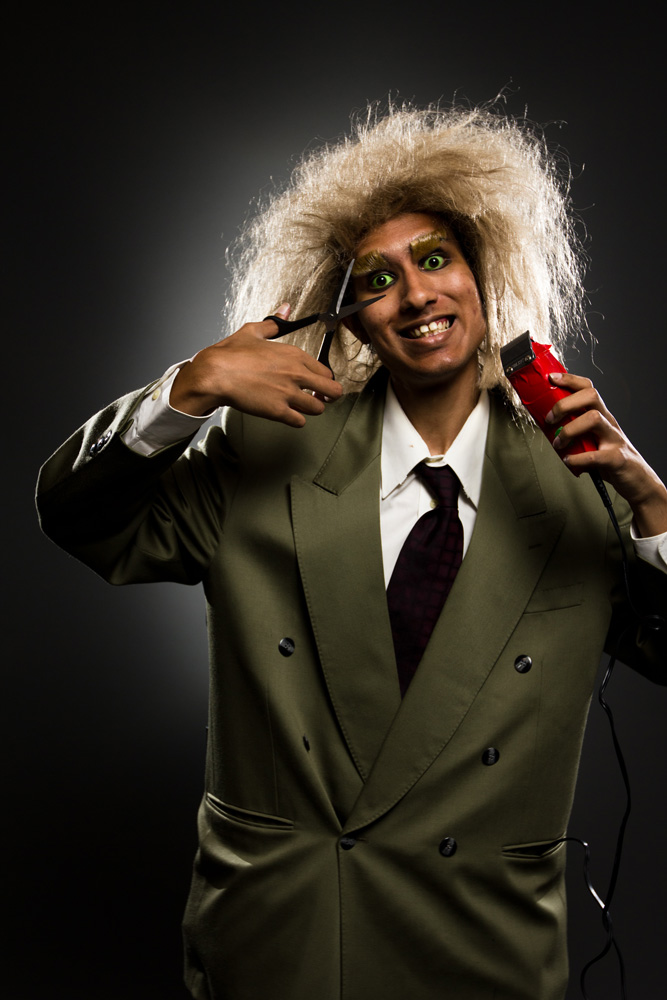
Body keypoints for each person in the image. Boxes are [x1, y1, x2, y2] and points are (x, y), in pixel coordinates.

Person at [36, 103, 667, 1000]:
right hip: (284, 938)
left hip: (481, 945)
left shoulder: (582, 485)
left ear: (484, 273)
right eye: (377, 279)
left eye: (436, 259)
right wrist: (187, 389)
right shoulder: (264, 452)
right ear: (351, 318)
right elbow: (80, 517)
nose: (416, 296)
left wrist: (652, 505)